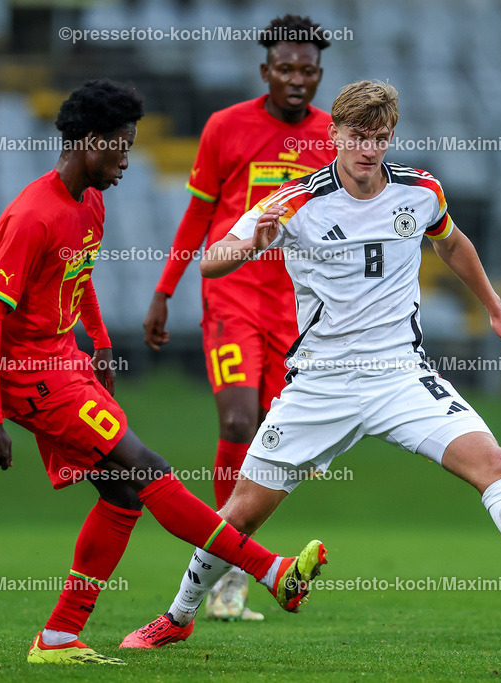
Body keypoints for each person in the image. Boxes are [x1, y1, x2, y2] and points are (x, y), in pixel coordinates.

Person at [126, 81, 501, 648]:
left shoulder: (420, 192)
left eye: (380, 137)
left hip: (400, 374)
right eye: (358, 136)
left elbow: (453, 244)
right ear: (334, 134)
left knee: (491, 462)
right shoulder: (294, 201)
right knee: (241, 514)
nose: (368, 149)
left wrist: (493, 306)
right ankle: (177, 616)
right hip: (321, 383)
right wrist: (248, 244)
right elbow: (211, 263)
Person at [0, 79, 327, 666]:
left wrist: (102, 347)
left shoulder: (91, 201)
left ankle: (58, 637)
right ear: (88, 141)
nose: (126, 160)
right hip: (31, 374)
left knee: (121, 495)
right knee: (146, 468)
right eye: (120, 145)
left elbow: (79, 278)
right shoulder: (32, 216)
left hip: (66, 363)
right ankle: (270, 569)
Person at [141, 14, 336, 622]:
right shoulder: (226, 128)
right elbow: (200, 216)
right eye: (286, 69)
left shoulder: (333, 136)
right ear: (265, 71)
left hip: (294, 310)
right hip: (231, 300)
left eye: (307, 70)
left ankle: (227, 576)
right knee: (236, 416)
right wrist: (165, 290)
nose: (296, 79)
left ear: (319, 74)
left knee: (275, 446)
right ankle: (228, 570)